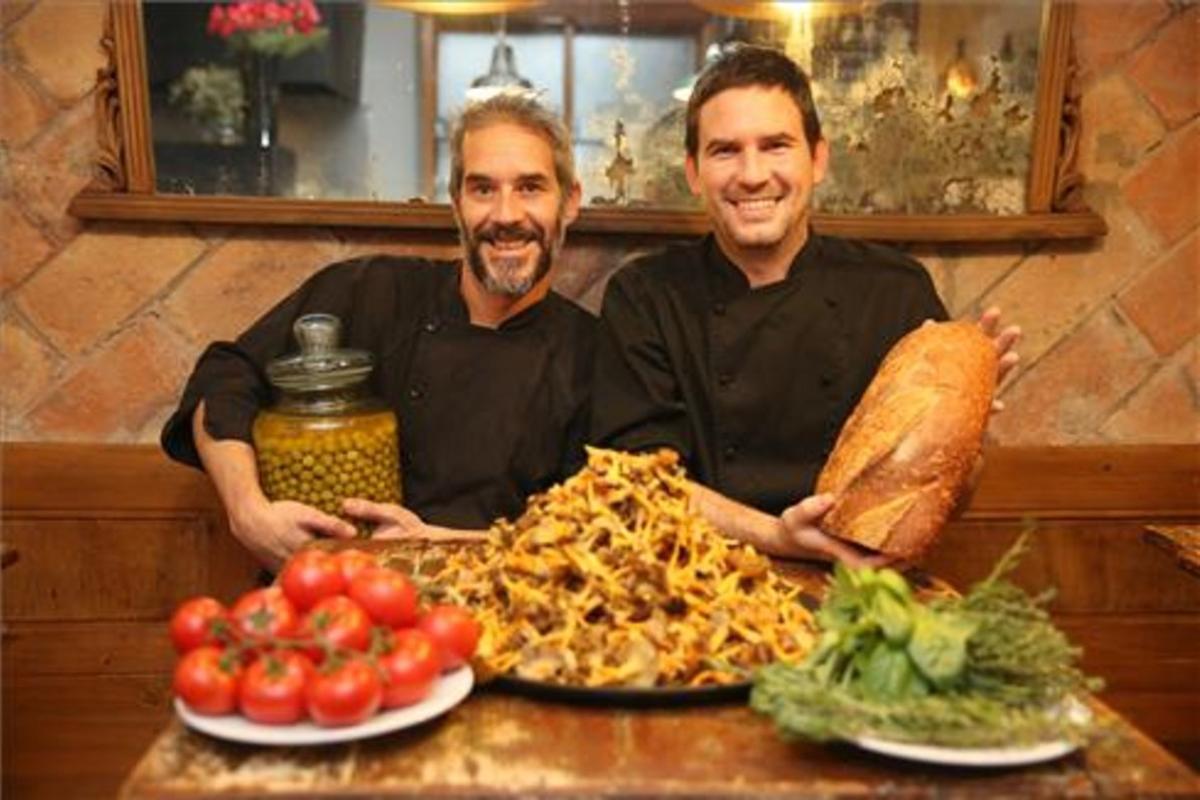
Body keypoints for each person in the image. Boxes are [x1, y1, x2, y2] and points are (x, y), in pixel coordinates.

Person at [590, 45, 1019, 565]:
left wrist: (961, 437)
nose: (752, 174)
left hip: (860, 584)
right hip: (698, 582)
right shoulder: (646, 296)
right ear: (694, 172)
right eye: (725, 151)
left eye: (775, 146)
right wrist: (776, 537)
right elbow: (638, 482)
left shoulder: (894, 289)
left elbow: (943, 500)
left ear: (817, 160)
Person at [162, 92, 594, 570]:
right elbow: (226, 376)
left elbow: (586, 538)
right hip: (337, 590)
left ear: (569, 202)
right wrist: (248, 512)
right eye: (482, 189)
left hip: (491, 601)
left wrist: (433, 546)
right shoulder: (371, 290)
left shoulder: (593, 356)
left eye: (530, 187)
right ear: (456, 203)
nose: (506, 215)